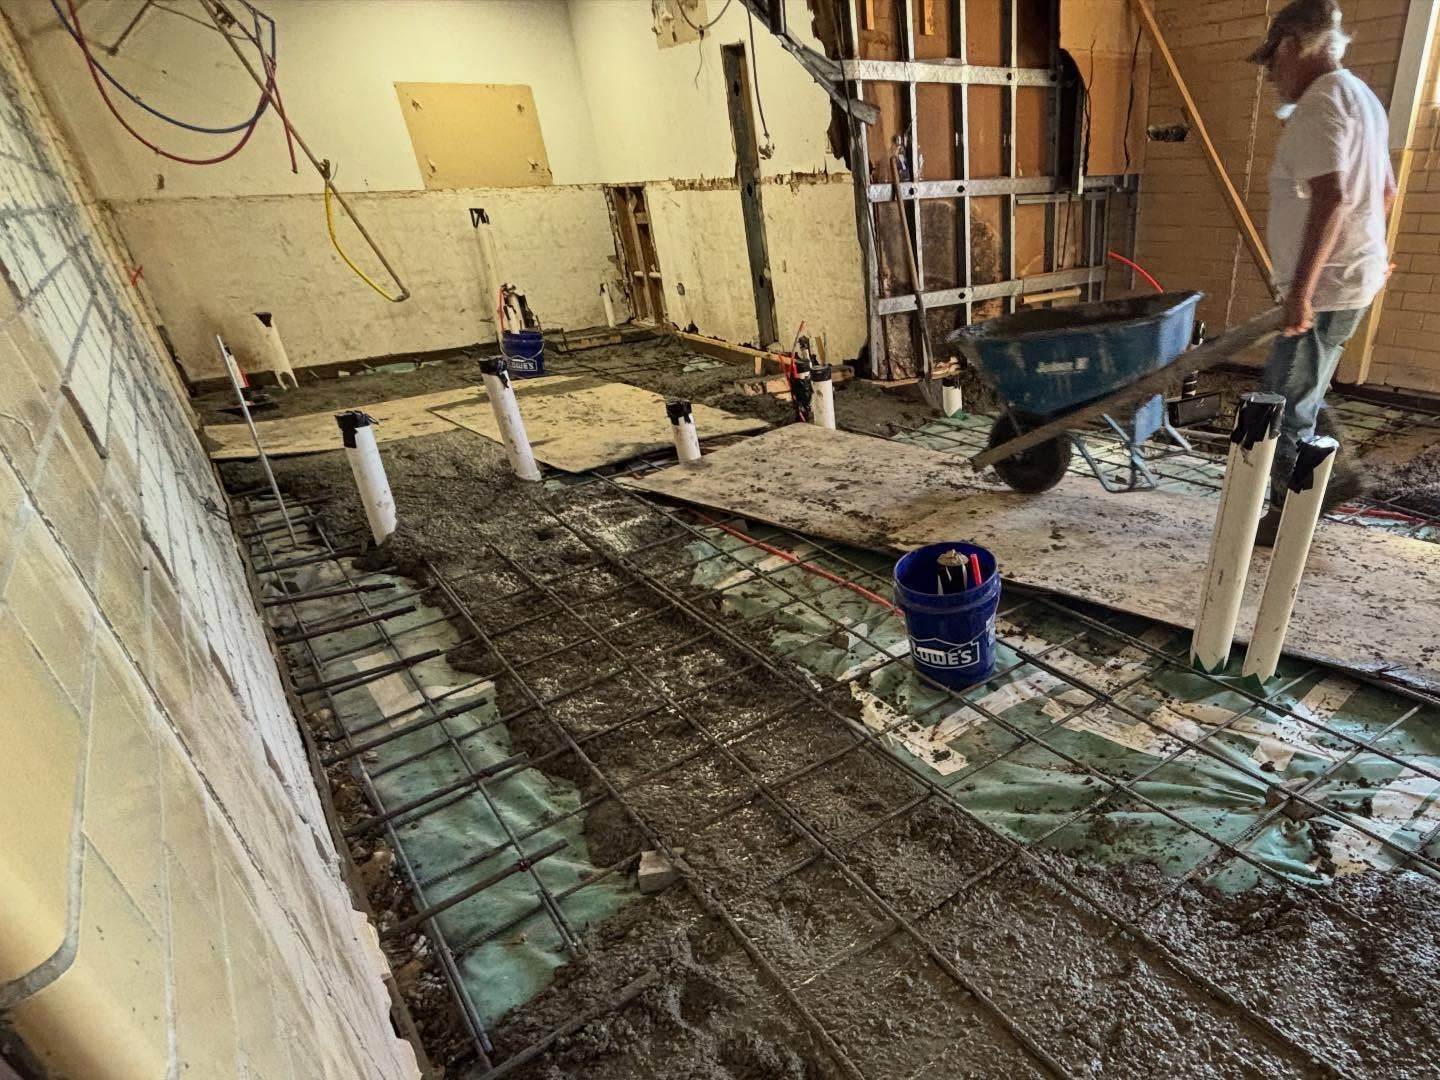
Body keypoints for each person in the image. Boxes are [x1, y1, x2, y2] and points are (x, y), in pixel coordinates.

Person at [1248, 0, 1394, 545]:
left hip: (1327, 287)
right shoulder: (1361, 97)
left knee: (1283, 402)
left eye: (1272, 63)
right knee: (1301, 385)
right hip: (1350, 277)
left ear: (1292, 44)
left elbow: (1332, 198)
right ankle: (1337, 475)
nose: (1271, 77)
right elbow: (1384, 190)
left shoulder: (1320, 104)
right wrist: (1375, 251)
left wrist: (1302, 293)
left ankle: (1289, 513)